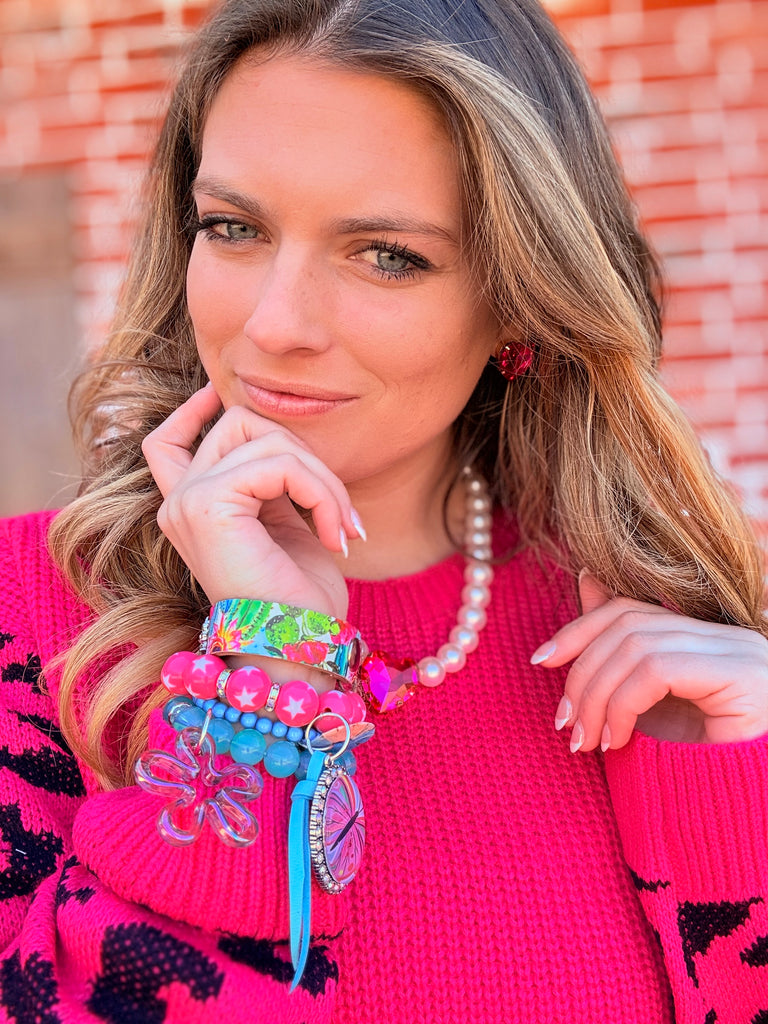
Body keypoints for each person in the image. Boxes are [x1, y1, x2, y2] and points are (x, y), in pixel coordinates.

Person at [1, 0, 766, 1019]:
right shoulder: (31, 617)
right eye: (233, 228)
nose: (273, 325)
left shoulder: (671, 637)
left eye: (386, 254)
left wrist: (738, 787)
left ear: (521, 300)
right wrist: (268, 670)